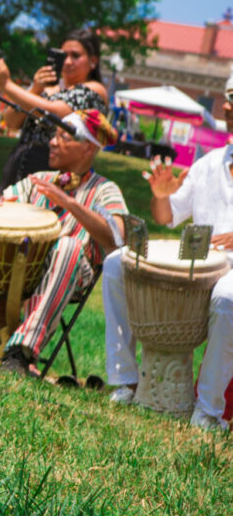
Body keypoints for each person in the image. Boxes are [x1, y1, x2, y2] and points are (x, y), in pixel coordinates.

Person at [0, 110, 126, 374]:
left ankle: (20, 352)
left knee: (67, 246)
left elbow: (118, 236)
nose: (52, 142)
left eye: (63, 137)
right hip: (18, 267)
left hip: (69, 273)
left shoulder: (105, 190)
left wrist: (68, 202)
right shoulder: (38, 180)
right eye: (54, 135)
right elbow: (4, 198)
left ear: (88, 148)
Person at [102, 71, 233, 430]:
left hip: (228, 278)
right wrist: (160, 195)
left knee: (227, 297)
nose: (226, 106)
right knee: (116, 264)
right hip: (202, 264)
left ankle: (207, 411)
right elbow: (166, 216)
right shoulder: (207, 164)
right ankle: (125, 380)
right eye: (227, 97)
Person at [0, 28, 109, 190]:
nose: (68, 62)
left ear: (93, 61)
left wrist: (6, 85)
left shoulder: (95, 90)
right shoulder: (48, 88)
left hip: (55, 171)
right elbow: (11, 121)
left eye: (75, 56)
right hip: (18, 165)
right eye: (64, 55)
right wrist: (35, 89)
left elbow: (54, 114)